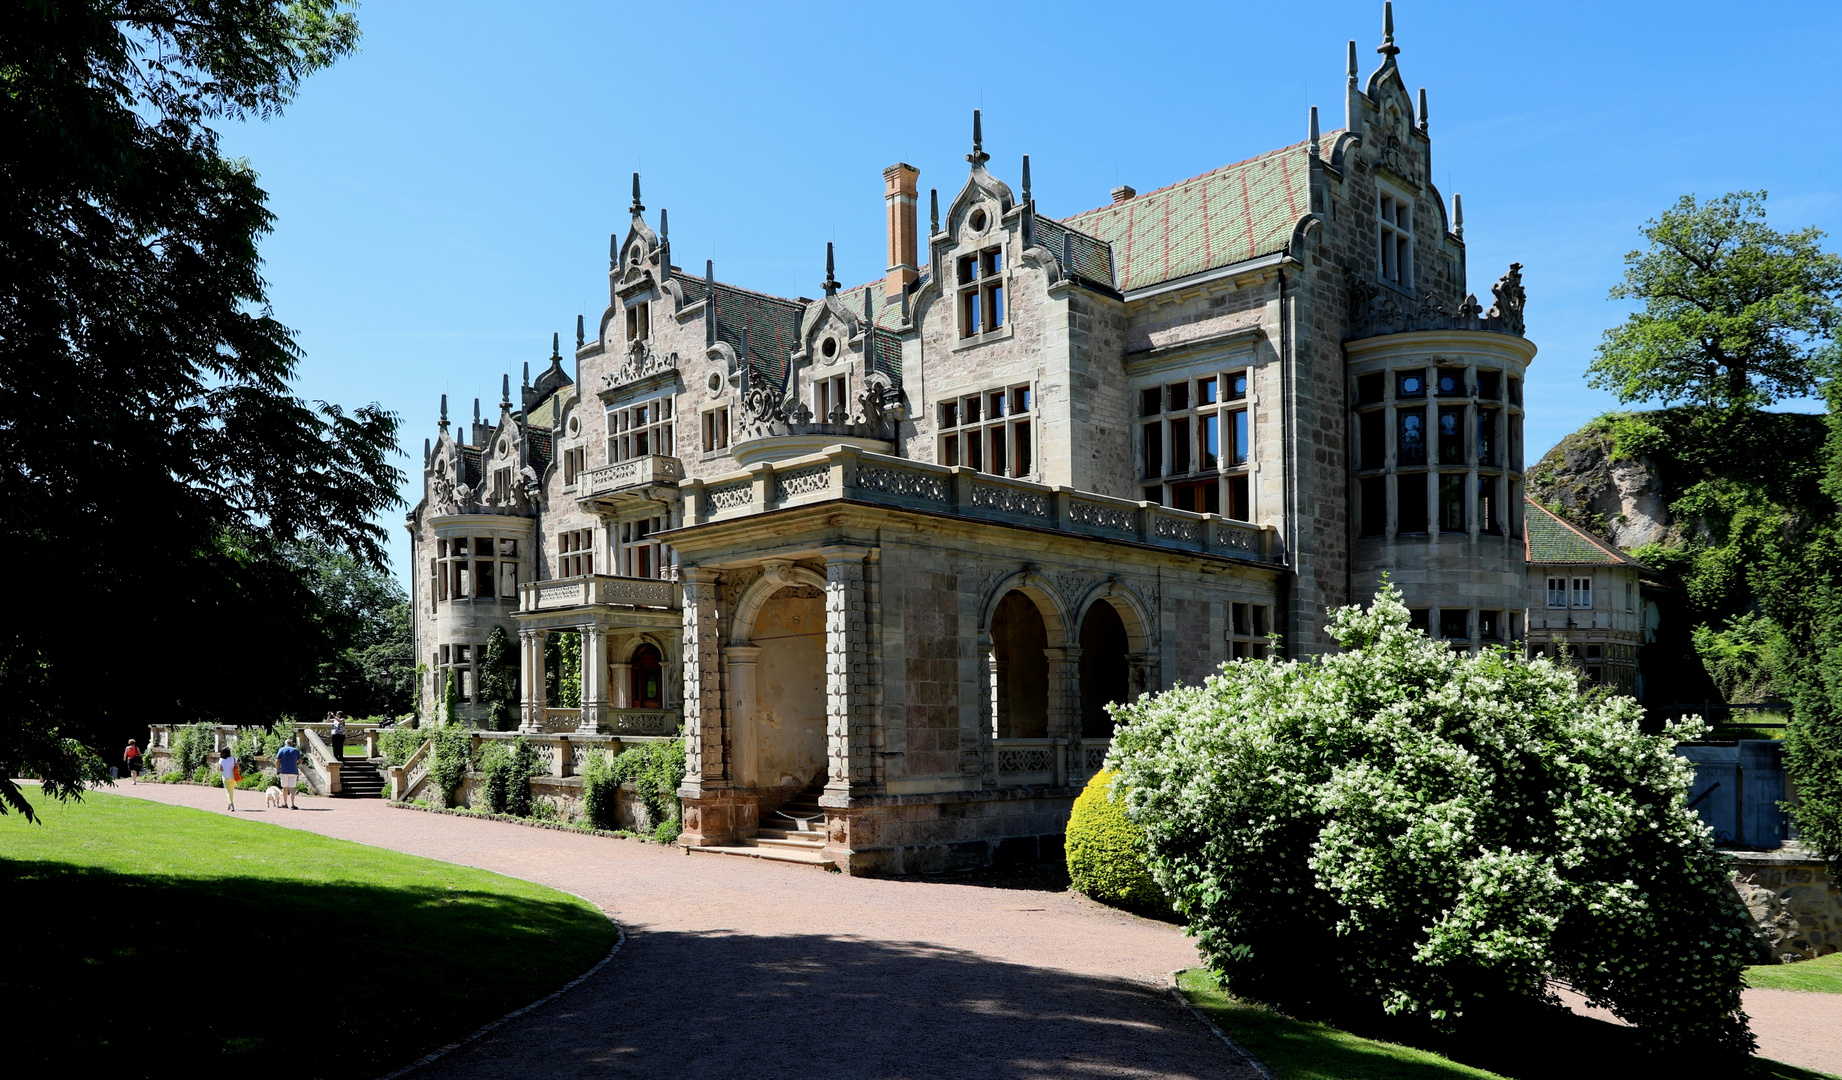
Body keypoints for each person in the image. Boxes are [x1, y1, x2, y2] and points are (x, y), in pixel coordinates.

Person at [274, 736, 301, 809]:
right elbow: (300, 761)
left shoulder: (282, 750)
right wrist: (296, 765)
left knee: (284, 788)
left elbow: (277, 761)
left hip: (284, 771)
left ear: (285, 744)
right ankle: (292, 804)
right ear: (292, 744)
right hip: (294, 771)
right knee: (292, 789)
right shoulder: (296, 750)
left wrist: (277, 770)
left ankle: (285, 803)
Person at [218, 746, 239, 811]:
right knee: (231, 791)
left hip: (225, 777)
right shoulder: (233, 758)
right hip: (233, 777)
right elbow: (238, 767)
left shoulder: (221, 760)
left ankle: (232, 805)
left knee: (228, 792)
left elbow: (220, 769)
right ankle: (229, 804)